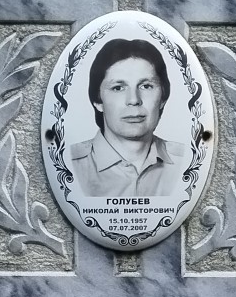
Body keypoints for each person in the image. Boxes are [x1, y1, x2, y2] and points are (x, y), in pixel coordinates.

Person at [67, 38, 185, 199]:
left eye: (146, 86)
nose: (134, 100)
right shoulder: (69, 163)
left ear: (163, 98)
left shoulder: (187, 160)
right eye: (118, 88)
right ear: (98, 101)